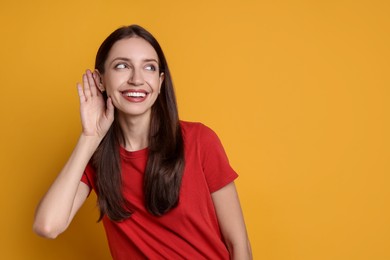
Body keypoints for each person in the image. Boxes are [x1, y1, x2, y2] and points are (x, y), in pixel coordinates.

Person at [33, 24, 252, 259]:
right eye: (122, 66)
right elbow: (47, 226)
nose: (137, 79)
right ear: (100, 81)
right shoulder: (95, 157)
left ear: (159, 82)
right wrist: (90, 137)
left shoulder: (199, 140)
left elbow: (238, 243)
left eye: (149, 67)